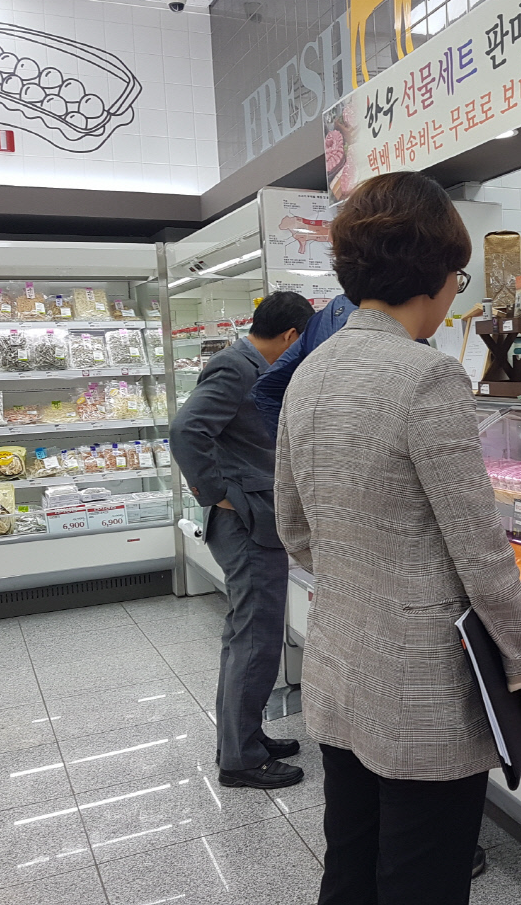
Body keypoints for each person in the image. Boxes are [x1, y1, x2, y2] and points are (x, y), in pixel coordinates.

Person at [274, 171, 521, 905]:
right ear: (434, 273)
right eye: (457, 277)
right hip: (423, 691)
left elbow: (294, 528)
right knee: (422, 880)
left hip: (340, 667)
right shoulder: (427, 377)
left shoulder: (309, 372)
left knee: (351, 868)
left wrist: (365, 573)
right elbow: (481, 552)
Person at [170, 290, 314, 790]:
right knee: (254, 638)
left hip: (257, 517)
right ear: (291, 336)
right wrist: (216, 492)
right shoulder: (236, 367)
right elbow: (187, 430)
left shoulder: (254, 365)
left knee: (252, 636)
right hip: (247, 522)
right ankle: (240, 759)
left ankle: (243, 737)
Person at [251, 292, 356, 441]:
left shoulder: (319, 322)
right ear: (290, 335)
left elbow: (267, 389)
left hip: (318, 447)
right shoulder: (231, 366)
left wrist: (289, 446)